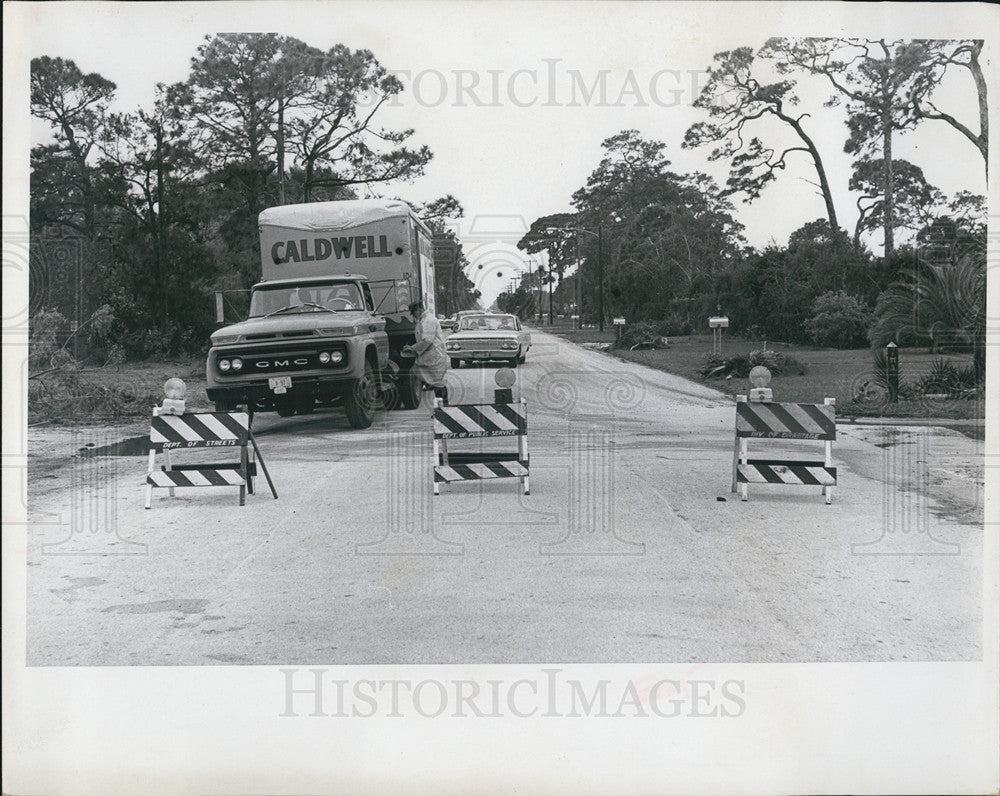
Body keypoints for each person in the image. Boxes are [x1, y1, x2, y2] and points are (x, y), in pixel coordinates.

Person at [402, 300, 449, 404]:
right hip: (431, 356)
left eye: (413, 313)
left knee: (437, 383)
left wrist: (413, 348)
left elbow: (427, 340)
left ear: (418, 310)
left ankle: (444, 410)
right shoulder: (424, 320)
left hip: (435, 357)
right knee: (434, 382)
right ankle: (442, 410)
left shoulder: (428, 320)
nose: (413, 316)